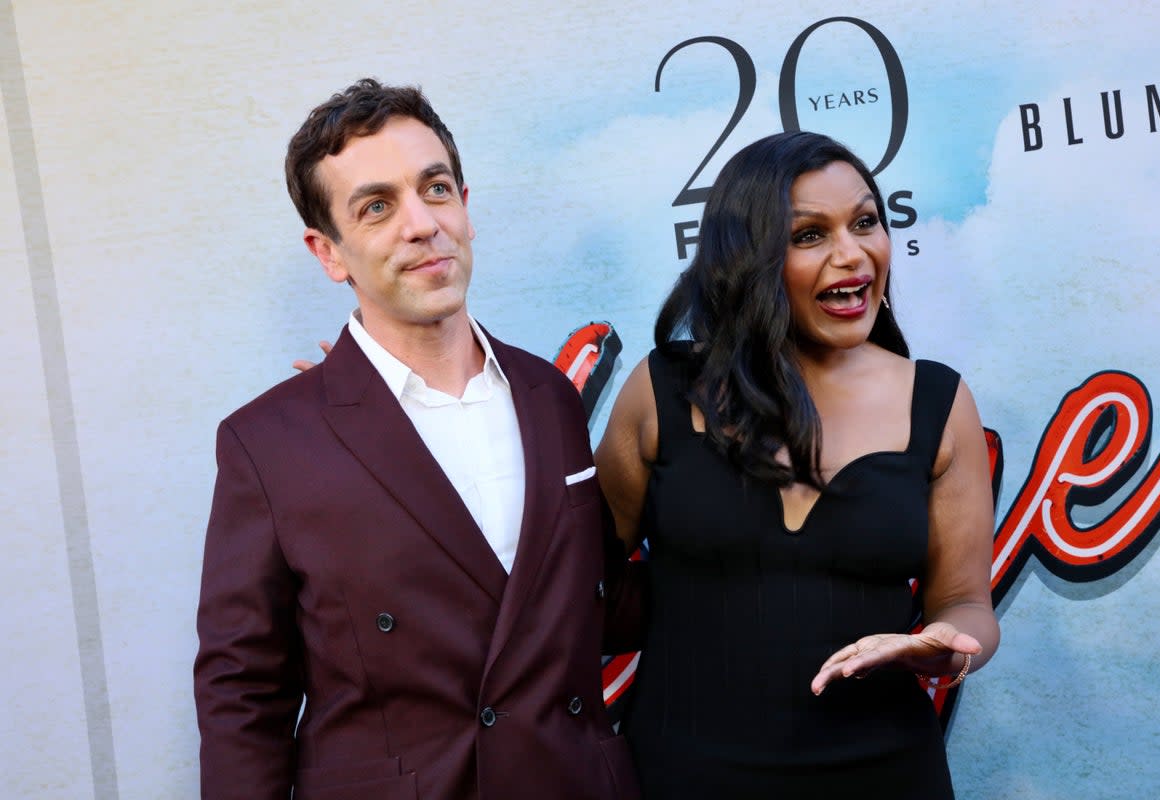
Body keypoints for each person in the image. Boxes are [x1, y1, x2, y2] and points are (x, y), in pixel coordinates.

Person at [193, 79, 640, 800]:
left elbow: (593, 599)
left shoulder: (550, 397)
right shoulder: (268, 442)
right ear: (329, 254)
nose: (420, 224)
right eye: (377, 207)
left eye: (435, 190)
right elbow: (243, 690)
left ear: (465, 207)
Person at [594, 130, 1000, 799]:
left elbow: (964, 602)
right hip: (686, 775)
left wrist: (952, 645)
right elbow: (583, 583)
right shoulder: (661, 391)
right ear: (750, 258)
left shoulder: (940, 402)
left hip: (886, 772)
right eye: (810, 235)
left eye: (865, 222)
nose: (854, 254)